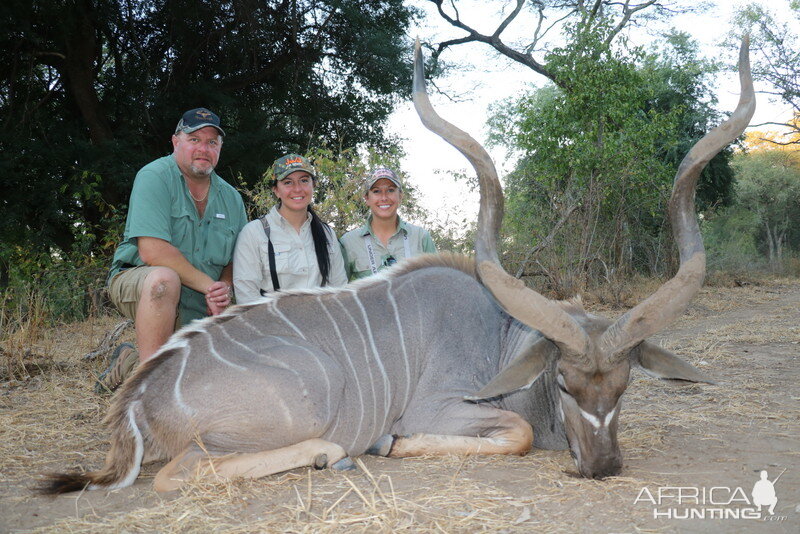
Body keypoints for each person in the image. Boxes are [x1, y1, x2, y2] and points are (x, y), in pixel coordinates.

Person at [97, 108, 247, 393]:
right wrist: (211, 287)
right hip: (141, 283)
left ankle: (132, 362)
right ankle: (150, 395)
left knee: (205, 375)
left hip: (202, 300)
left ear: (219, 149)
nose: (203, 149)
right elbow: (152, 251)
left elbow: (235, 259)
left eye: (212, 142)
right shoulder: (153, 176)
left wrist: (224, 288)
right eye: (194, 139)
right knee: (163, 280)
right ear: (176, 142)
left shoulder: (232, 198)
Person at [232, 153, 347, 303]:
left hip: (322, 323)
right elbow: (247, 297)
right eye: (288, 182)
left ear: (314, 185)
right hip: (272, 324)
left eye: (304, 180)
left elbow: (339, 292)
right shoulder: (254, 233)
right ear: (276, 190)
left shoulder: (327, 234)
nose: (297, 189)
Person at [339, 167, 436, 280]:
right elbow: (338, 287)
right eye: (376, 191)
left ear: (400, 196)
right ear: (367, 198)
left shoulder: (421, 237)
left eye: (390, 190)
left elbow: (437, 284)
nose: (384, 198)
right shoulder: (349, 242)